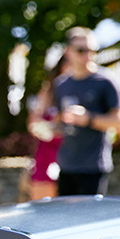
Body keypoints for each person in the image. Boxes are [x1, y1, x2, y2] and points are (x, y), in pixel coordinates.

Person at [52, 27, 120, 196]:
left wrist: (88, 119)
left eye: (93, 50)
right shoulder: (61, 84)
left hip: (93, 167)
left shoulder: (106, 81)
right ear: (68, 52)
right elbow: (59, 122)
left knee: (89, 220)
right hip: (66, 166)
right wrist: (48, 127)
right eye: (81, 50)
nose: (88, 55)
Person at [25, 56, 69, 200]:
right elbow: (33, 122)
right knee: (43, 210)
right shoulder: (48, 91)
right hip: (47, 155)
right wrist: (51, 127)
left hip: (73, 156)